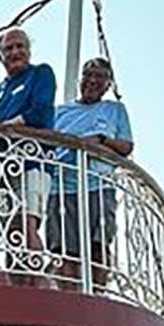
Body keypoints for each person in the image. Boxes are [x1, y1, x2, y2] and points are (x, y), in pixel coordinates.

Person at [48, 58, 133, 292]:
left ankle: (97, 295)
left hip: (98, 184)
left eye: (100, 77)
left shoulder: (114, 110)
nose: (92, 81)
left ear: (108, 84)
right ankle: (69, 297)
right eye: (88, 75)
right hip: (61, 186)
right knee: (64, 248)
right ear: (81, 79)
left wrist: (101, 140)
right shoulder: (60, 112)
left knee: (99, 243)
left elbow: (126, 146)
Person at [0, 28, 55, 278]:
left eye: (20, 46)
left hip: (31, 161)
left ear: (29, 50)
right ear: (0, 57)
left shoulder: (40, 74)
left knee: (27, 223)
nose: (15, 52)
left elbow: (41, 112)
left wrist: (9, 126)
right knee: (11, 233)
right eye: (9, 49)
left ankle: (40, 285)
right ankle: (17, 286)